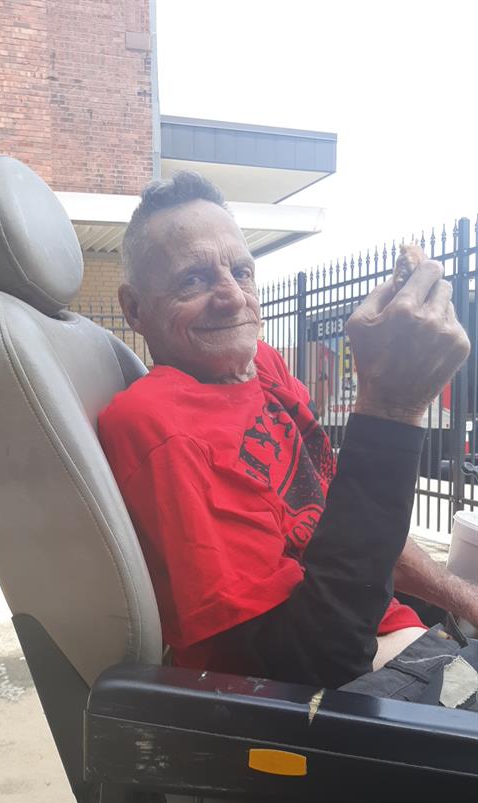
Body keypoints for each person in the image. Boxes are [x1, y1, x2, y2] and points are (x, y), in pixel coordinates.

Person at [99, 171, 476, 691]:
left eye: (241, 271)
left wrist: (463, 599)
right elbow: (301, 666)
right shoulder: (157, 424)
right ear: (135, 309)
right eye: (194, 279)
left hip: (405, 644)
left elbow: (346, 521)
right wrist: (391, 407)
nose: (232, 296)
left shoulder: (266, 367)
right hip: (334, 703)